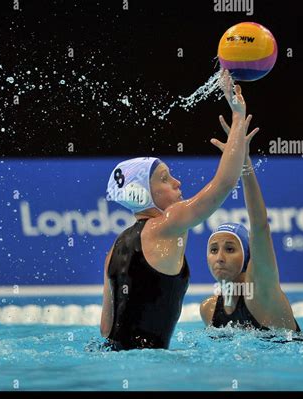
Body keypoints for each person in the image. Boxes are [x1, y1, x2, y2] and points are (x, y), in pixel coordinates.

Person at [100, 70, 259, 350]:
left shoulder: (114, 249)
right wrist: (237, 119)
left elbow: (105, 328)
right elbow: (223, 184)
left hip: (111, 356)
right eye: (164, 179)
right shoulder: (167, 224)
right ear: (142, 194)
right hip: (146, 365)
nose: (177, 182)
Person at [200, 115, 300, 332]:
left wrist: (243, 162)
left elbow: (260, 226)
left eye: (230, 249)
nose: (220, 257)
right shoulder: (208, 310)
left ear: (248, 255)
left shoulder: (262, 291)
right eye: (213, 249)